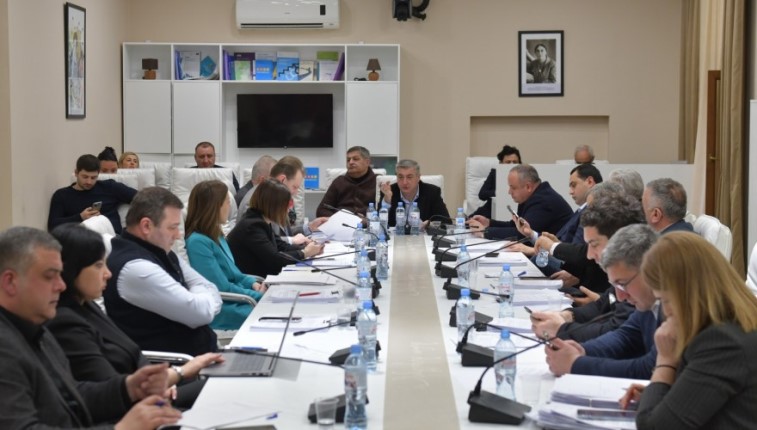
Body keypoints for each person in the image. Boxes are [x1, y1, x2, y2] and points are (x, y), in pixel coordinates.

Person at [0, 226, 181, 428]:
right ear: (10, 282)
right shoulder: (6, 347)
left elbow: (73, 395)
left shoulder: (36, 329)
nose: (61, 285)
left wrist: (128, 388)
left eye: (60, 275)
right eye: (49, 276)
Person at [47, 223, 221, 409]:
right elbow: (110, 390)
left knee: (227, 384)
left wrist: (170, 379)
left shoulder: (86, 306)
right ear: (71, 269)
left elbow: (135, 356)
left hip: (152, 393)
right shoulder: (65, 322)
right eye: (99, 266)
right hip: (136, 408)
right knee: (224, 390)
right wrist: (179, 374)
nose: (108, 273)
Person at [621, 232, 757, 429]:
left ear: (688, 294)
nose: (666, 312)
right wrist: (669, 395)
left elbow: (655, 428)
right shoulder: (732, 324)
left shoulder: (721, 342)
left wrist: (665, 363)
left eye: (665, 300)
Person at [103, 187, 222, 356]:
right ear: (146, 226)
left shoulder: (158, 250)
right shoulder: (136, 268)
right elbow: (200, 313)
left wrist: (201, 299)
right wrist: (205, 298)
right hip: (178, 366)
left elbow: (205, 285)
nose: (178, 235)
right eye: (173, 227)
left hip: (200, 358)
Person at [545, 224, 661, 379]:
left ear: (650, 271)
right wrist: (581, 350)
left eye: (623, 284)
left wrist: (576, 364)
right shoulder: (647, 302)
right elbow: (625, 336)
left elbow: (649, 368)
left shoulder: (676, 307)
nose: (620, 296)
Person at [530, 188, 644, 341]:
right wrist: (566, 316)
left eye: (594, 244)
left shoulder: (641, 275)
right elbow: (601, 305)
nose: (589, 254)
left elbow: (616, 332)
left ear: (619, 240)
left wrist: (561, 330)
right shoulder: (624, 269)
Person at [185, 180, 265, 330]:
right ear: (215, 207)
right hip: (224, 307)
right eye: (227, 202)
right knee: (275, 312)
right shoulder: (197, 243)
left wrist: (253, 284)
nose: (230, 207)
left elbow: (235, 274)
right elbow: (221, 287)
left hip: (238, 299)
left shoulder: (217, 234)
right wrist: (260, 296)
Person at [229, 179, 324, 278]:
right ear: (274, 205)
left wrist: (309, 248)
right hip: (256, 281)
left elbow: (281, 246)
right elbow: (275, 260)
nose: (288, 210)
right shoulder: (252, 226)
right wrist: (304, 253)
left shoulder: (259, 220)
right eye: (287, 205)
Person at [469, 164, 573, 240]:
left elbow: (522, 234)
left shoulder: (543, 201)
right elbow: (516, 226)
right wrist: (489, 223)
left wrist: (485, 231)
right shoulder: (532, 196)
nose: (509, 192)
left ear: (528, 187)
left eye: (513, 188)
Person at [48, 154, 137, 234]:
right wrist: (80, 217)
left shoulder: (109, 187)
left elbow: (140, 198)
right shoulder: (62, 195)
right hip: (81, 239)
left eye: (93, 177)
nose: (89, 182)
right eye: (85, 177)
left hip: (110, 237)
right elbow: (52, 226)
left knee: (101, 220)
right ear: (76, 173)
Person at [378, 159, 450, 231]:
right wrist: (387, 200)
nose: (404, 182)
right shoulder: (388, 192)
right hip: (395, 236)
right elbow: (376, 223)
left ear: (418, 177)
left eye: (409, 177)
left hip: (422, 236)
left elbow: (447, 222)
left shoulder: (432, 192)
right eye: (400, 177)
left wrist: (430, 224)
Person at [316, 146, 377, 217]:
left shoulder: (378, 182)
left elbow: (383, 212)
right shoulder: (339, 182)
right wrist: (338, 218)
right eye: (348, 160)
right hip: (341, 222)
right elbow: (322, 210)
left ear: (367, 162)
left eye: (355, 159)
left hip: (368, 222)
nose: (350, 162)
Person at [471, 145, 522, 218]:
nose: (512, 165)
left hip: (516, 212)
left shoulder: (526, 176)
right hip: (491, 211)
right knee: (467, 222)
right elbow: (482, 194)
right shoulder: (495, 173)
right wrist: (499, 193)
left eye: (515, 162)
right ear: (501, 163)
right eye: (508, 162)